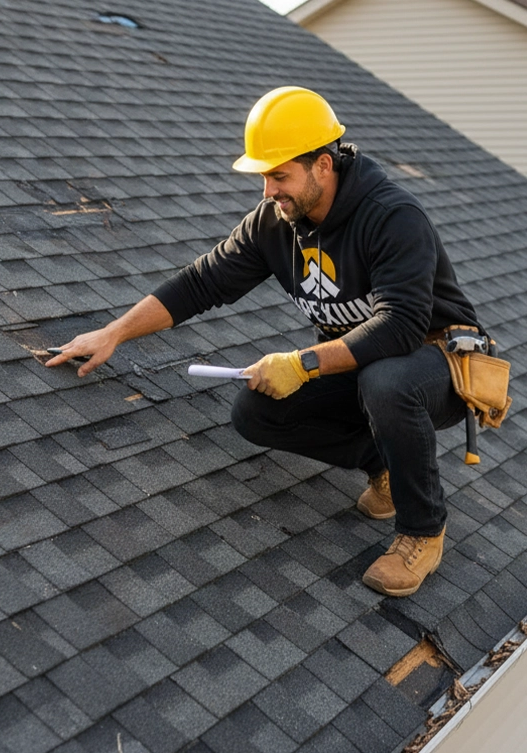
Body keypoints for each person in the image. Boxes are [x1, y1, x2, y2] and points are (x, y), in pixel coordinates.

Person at [47, 86, 483, 597]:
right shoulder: (275, 223)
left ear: (323, 165)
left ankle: (422, 531)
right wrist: (114, 332)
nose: (268, 190)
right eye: (263, 176)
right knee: (256, 411)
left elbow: (402, 325)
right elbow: (200, 283)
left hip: (440, 362)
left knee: (388, 381)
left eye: (279, 175)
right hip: (363, 366)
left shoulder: (390, 217)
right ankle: (383, 464)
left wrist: (301, 363)